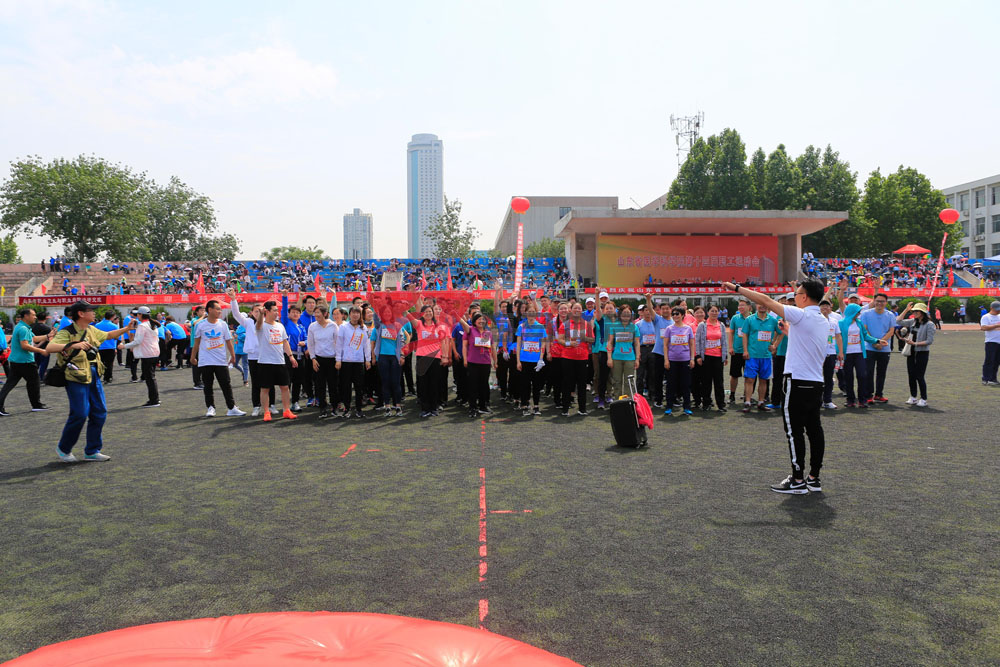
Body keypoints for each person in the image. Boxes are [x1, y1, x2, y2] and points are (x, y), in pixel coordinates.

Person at [722, 280, 829, 495]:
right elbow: (806, 340)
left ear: (804, 297)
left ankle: (797, 480)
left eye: (797, 294)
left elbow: (766, 301)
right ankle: (813, 478)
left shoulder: (801, 314)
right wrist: (788, 331)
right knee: (814, 430)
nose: (794, 298)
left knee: (794, 432)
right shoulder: (822, 320)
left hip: (797, 381)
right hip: (816, 382)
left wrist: (736, 288)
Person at [47, 301, 135, 462]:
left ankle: (92, 450)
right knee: (80, 413)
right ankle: (64, 448)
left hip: (93, 373)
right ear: (81, 314)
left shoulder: (91, 329)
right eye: (91, 310)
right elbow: (50, 348)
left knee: (100, 412)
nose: (94, 313)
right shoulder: (67, 331)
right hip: (76, 375)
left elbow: (108, 335)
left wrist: (126, 329)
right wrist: (73, 345)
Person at [191, 299, 245, 417]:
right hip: (205, 361)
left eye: (220, 309)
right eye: (218, 309)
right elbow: (197, 342)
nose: (220, 311)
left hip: (221, 360)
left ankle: (231, 408)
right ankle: (210, 408)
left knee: (226, 384)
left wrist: (233, 356)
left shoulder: (222, 324)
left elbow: (228, 341)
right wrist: (193, 357)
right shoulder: (200, 325)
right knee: (208, 385)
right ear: (210, 310)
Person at [0, 307, 52, 416]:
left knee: (10, 384)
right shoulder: (23, 328)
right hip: (25, 361)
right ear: (26, 316)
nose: (35, 317)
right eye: (33, 315)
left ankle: (35, 405)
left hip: (17, 360)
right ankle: (36, 405)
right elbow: (25, 346)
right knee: (34, 382)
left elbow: (34, 339)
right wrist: (41, 351)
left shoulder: (23, 327)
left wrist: (48, 336)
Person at [255, 299, 299, 421]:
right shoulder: (262, 325)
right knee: (265, 388)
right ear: (267, 311)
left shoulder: (280, 326)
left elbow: (285, 342)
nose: (276, 313)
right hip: (265, 362)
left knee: (285, 387)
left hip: (280, 361)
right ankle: (266, 412)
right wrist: (261, 315)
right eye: (274, 310)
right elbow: (258, 325)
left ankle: (286, 410)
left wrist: (290, 356)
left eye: (277, 311)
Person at [740, 303, 779, 413]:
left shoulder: (773, 320)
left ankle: (761, 402)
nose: (762, 306)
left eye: (764, 304)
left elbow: (780, 332)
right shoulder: (749, 319)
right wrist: (745, 350)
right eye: (760, 304)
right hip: (752, 355)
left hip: (766, 356)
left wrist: (774, 345)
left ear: (768, 306)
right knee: (749, 379)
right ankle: (747, 402)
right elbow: (745, 335)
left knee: (763, 380)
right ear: (756, 306)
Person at [373, 303, 412, 417]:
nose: (387, 314)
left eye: (389, 312)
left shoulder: (397, 325)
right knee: (385, 382)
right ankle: (387, 407)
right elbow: (372, 342)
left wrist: (402, 355)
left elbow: (403, 341)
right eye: (385, 312)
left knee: (396, 382)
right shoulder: (379, 326)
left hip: (395, 357)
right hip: (382, 357)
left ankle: (398, 406)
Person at [838, 303, 880, 408]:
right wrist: (839, 352)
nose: (859, 314)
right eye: (857, 312)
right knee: (848, 377)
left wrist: (877, 340)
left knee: (862, 375)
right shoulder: (841, 323)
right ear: (852, 312)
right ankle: (850, 400)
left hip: (859, 353)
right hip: (847, 354)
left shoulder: (859, 322)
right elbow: (838, 338)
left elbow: (865, 335)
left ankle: (862, 400)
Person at [858, 293, 896, 403]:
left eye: (882, 301)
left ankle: (879, 394)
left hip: (884, 349)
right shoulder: (866, 314)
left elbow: (891, 331)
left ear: (886, 303)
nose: (880, 303)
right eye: (878, 301)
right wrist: (875, 342)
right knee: (868, 372)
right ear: (874, 301)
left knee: (881, 373)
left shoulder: (890, 315)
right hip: (869, 348)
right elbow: (865, 330)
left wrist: (880, 343)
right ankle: (869, 395)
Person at [122, 306, 163, 407]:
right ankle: (155, 399)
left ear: (140, 315)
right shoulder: (152, 325)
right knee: (151, 377)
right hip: (154, 353)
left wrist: (124, 346)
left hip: (147, 354)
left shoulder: (142, 326)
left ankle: (154, 400)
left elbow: (138, 341)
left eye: (138, 314)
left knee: (150, 379)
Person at [558, 302, 594, 416]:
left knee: (582, 384)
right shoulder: (565, 324)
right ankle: (565, 409)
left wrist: (585, 338)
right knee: (567, 383)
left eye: (579, 308)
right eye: (575, 308)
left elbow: (592, 339)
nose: (577, 310)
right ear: (571, 310)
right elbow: (560, 339)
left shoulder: (587, 324)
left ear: (581, 311)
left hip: (582, 358)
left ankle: (582, 409)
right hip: (568, 357)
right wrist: (569, 343)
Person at [897, 302, 935, 407]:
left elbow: (929, 341)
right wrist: (906, 309)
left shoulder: (929, 324)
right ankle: (913, 397)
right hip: (911, 352)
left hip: (922, 352)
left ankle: (923, 398)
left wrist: (915, 343)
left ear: (922, 312)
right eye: (914, 311)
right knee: (911, 375)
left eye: (917, 311)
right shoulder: (913, 321)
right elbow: (898, 321)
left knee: (920, 376)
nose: (915, 313)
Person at [335, 306, 371, 418]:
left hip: (359, 361)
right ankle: (347, 408)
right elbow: (339, 344)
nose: (355, 315)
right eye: (353, 313)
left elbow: (366, 345)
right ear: (349, 314)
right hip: (346, 361)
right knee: (346, 386)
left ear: (360, 315)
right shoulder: (343, 327)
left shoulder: (363, 328)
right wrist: (338, 359)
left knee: (359, 386)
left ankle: (359, 409)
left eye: (357, 313)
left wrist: (368, 359)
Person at [411, 302, 445, 418]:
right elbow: (409, 315)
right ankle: (425, 409)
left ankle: (434, 408)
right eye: (426, 312)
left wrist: (444, 356)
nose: (428, 313)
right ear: (422, 314)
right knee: (423, 384)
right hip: (422, 357)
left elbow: (443, 342)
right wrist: (405, 307)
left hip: (435, 358)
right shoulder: (419, 324)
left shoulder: (438, 326)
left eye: (430, 311)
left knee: (434, 383)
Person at [516, 302, 548, 416]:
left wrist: (541, 359)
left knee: (536, 384)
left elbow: (543, 344)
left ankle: (536, 406)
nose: (531, 314)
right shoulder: (521, 327)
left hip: (536, 361)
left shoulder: (540, 327)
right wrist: (518, 361)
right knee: (525, 384)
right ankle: (525, 405)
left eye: (533, 312)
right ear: (526, 313)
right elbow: (518, 344)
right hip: (524, 359)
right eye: (529, 312)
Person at [662, 305, 695, 415]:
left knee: (685, 384)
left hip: (685, 360)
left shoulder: (688, 329)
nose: (675, 316)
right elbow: (665, 345)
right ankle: (669, 406)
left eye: (677, 314)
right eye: (673, 314)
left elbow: (691, 344)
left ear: (683, 315)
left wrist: (692, 359)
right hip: (672, 360)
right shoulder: (669, 329)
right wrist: (666, 360)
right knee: (671, 384)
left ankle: (687, 407)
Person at [695, 304, 728, 413]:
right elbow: (697, 341)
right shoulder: (702, 325)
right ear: (708, 312)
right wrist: (698, 355)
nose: (714, 313)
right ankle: (706, 403)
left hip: (718, 357)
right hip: (706, 357)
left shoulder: (721, 325)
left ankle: (721, 404)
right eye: (712, 311)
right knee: (706, 382)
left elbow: (724, 341)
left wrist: (725, 356)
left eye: (716, 311)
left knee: (719, 382)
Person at [308, 305, 339, 418]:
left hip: (332, 359)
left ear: (325, 314)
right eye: (315, 312)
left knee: (333, 385)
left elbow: (338, 343)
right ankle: (323, 408)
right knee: (319, 385)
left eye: (318, 312)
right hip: (318, 359)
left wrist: (338, 359)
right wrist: (313, 358)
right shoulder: (312, 326)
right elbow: (310, 344)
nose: (316, 315)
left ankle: (334, 407)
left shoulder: (333, 325)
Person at [462, 312, 496, 418]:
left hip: (485, 362)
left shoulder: (488, 333)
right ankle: (472, 407)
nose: (481, 321)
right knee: (473, 385)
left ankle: (483, 406)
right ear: (474, 321)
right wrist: (465, 359)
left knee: (484, 385)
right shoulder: (470, 330)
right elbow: (464, 346)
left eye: (483, 319)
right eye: (479, 319)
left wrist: (495, 361)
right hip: (473, 362)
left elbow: (492, 348)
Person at [819, 299, 843, 409]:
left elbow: (838, 336)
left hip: (831, 352)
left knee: (829, 377)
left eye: (827, 306)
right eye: (822, 306)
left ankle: (827, 400)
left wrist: (840, 352)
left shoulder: (834, 321)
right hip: (818, 353)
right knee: (817, 378)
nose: (825, 308)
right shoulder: (816, 320)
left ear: (830, 308)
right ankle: (817, 400)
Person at [727, 300, 749, 404]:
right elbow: (731, 333)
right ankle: (732, 395)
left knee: (749, 375)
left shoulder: (752, 318)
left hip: (749, 351)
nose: (740, 307)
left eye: (742, 305)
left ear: (749, 307)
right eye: (739, 306)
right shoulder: (735, 318)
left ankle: (747, 396)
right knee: (734, 375)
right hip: (737, 351)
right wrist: (731, 347)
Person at [94, 311, 120, 383]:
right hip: (110, 347)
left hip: (100, 347)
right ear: (112, 317)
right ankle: (108, 378)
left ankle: (98, 376)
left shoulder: (97, 325)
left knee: (99, 363)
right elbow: (116, 337)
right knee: (109, 364)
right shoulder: (114, 326)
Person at [980, 300, 1000, 386]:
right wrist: (996, 325)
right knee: (989, 361)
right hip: (991, 342)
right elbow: (983, 327)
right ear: (991, 308)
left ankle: (993, 379)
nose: (998, 311)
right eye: (996, 309)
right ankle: (985, 378)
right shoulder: (986, 317)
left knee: (997, 361)